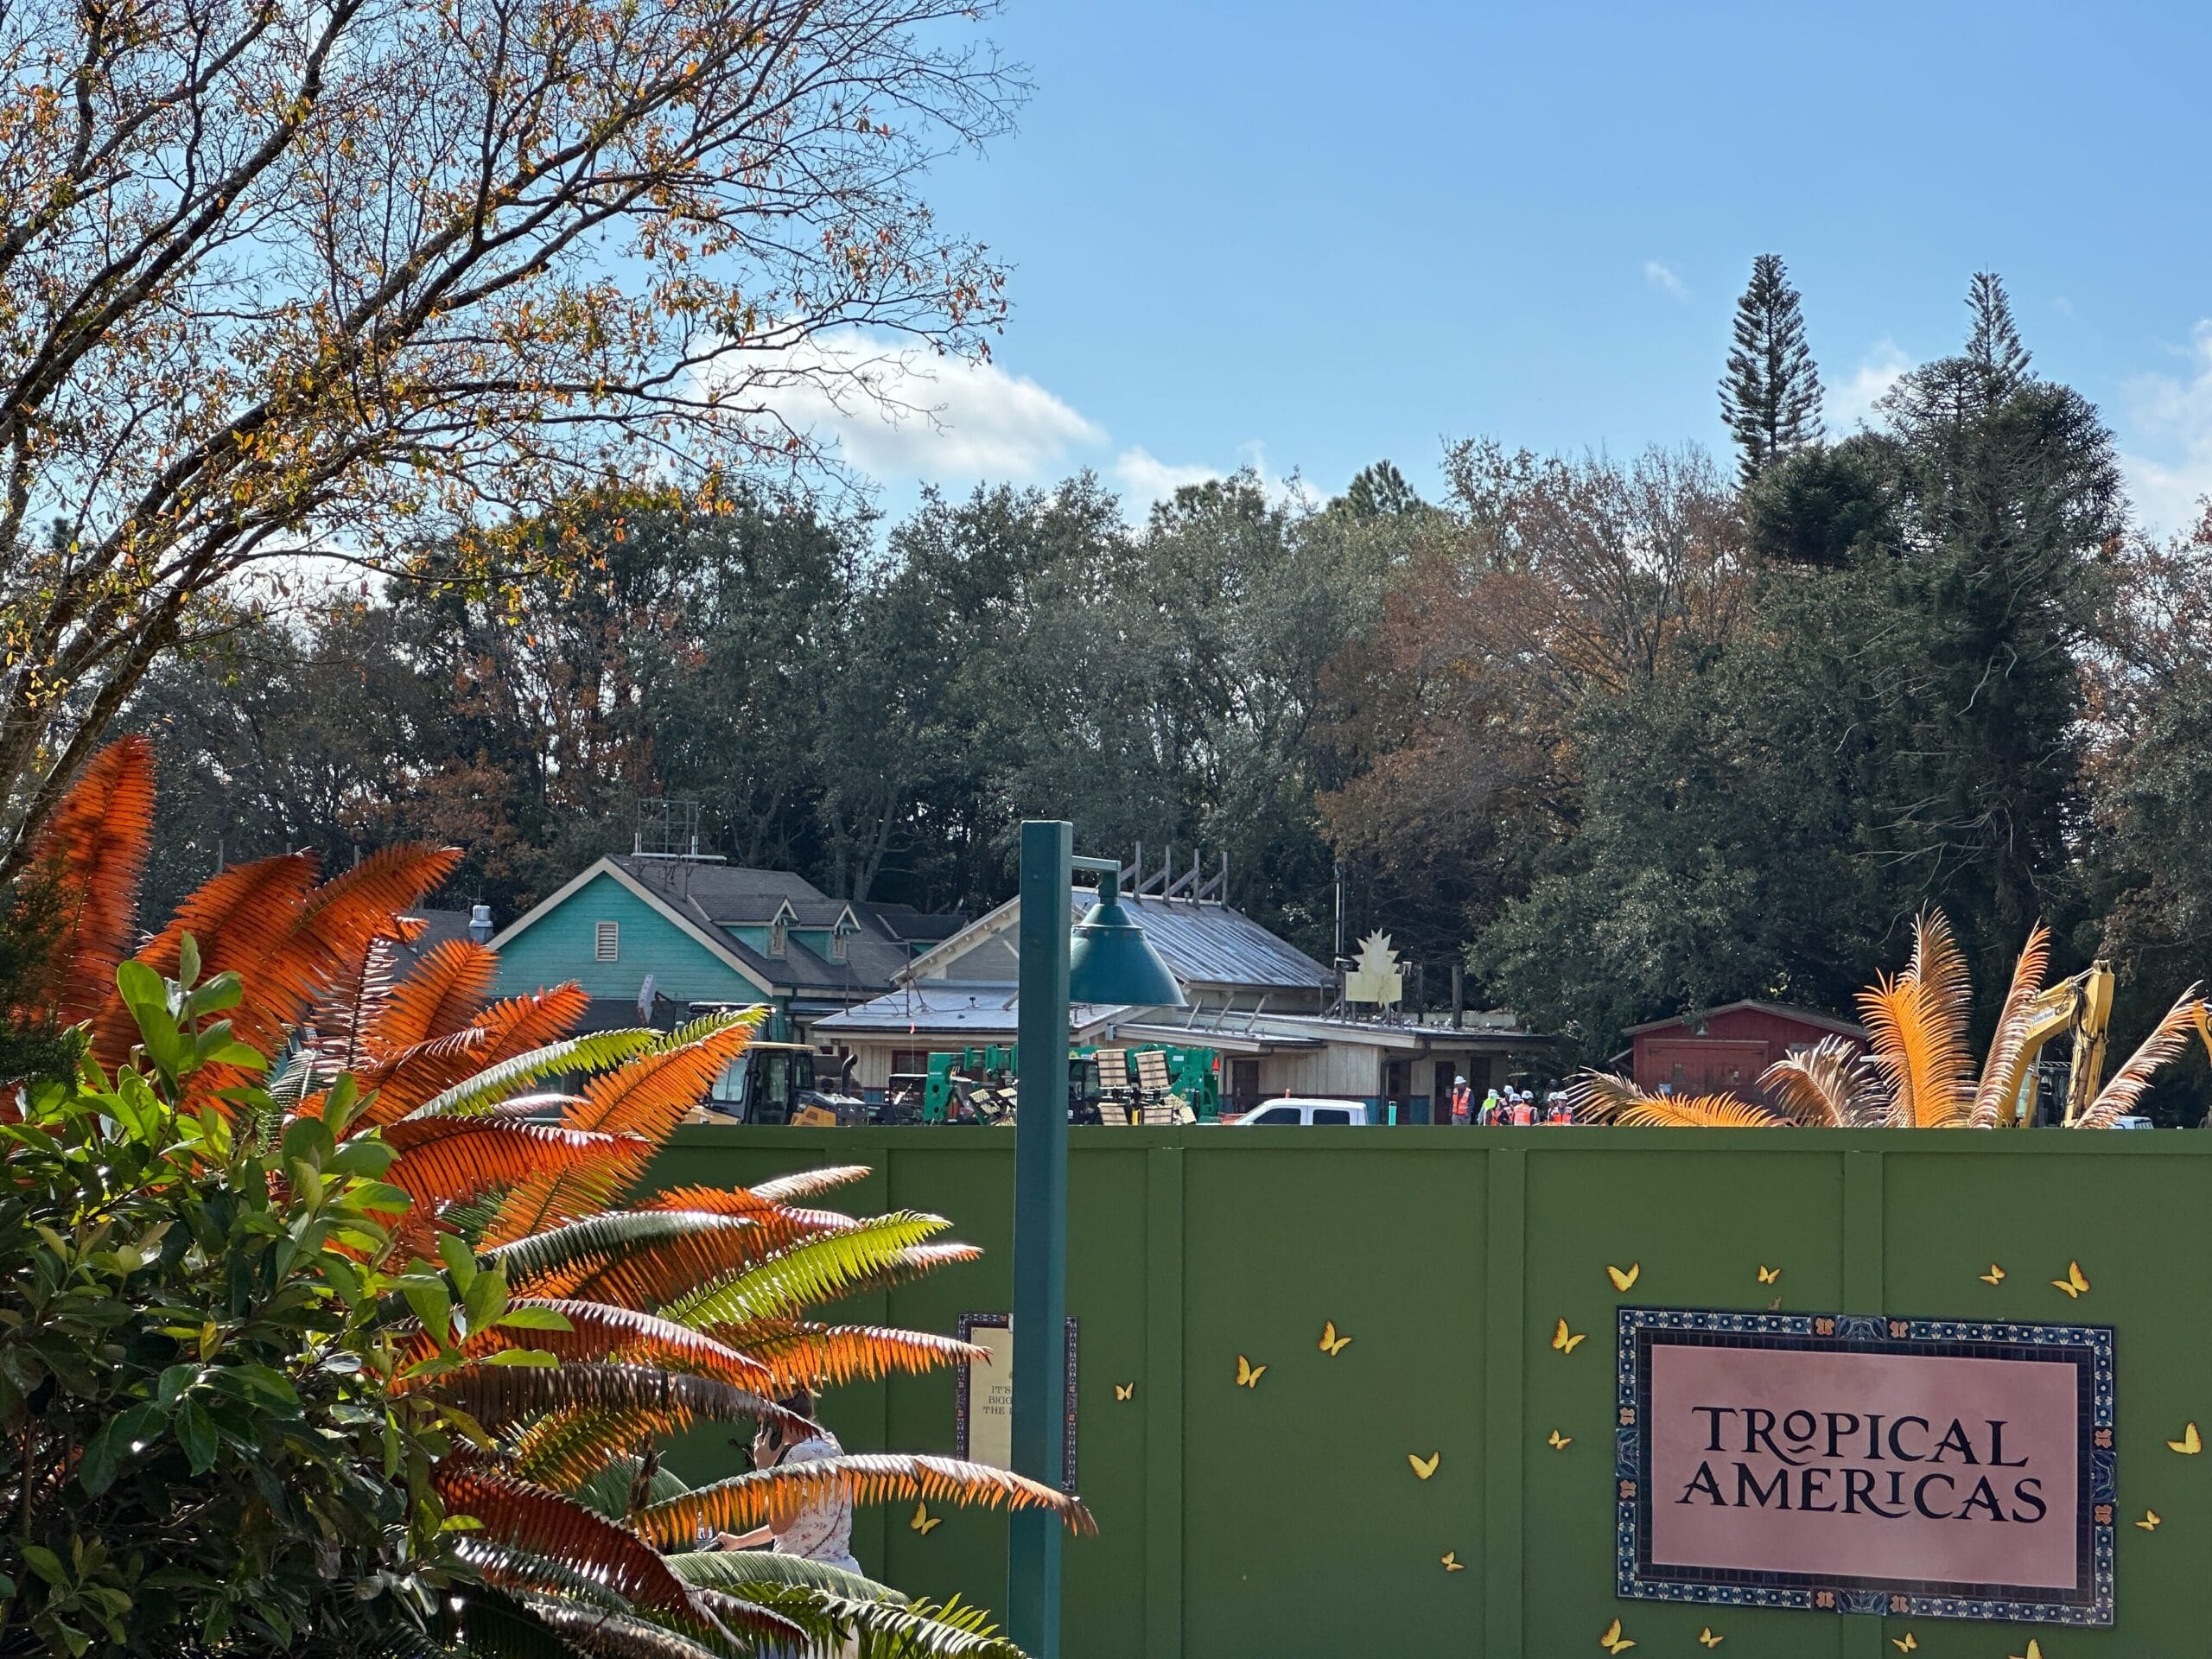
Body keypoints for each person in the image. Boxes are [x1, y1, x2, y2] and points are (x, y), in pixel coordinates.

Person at [718, 1388, 861, 1578]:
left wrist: (765, 1471)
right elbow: (795, 1522)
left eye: (763, 1423)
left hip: (808, 1576)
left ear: (776, 1420)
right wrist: (740, 1542)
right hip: (842, 1574)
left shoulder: (801, 1455)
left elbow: (779, 1524)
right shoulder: (829, 1444)